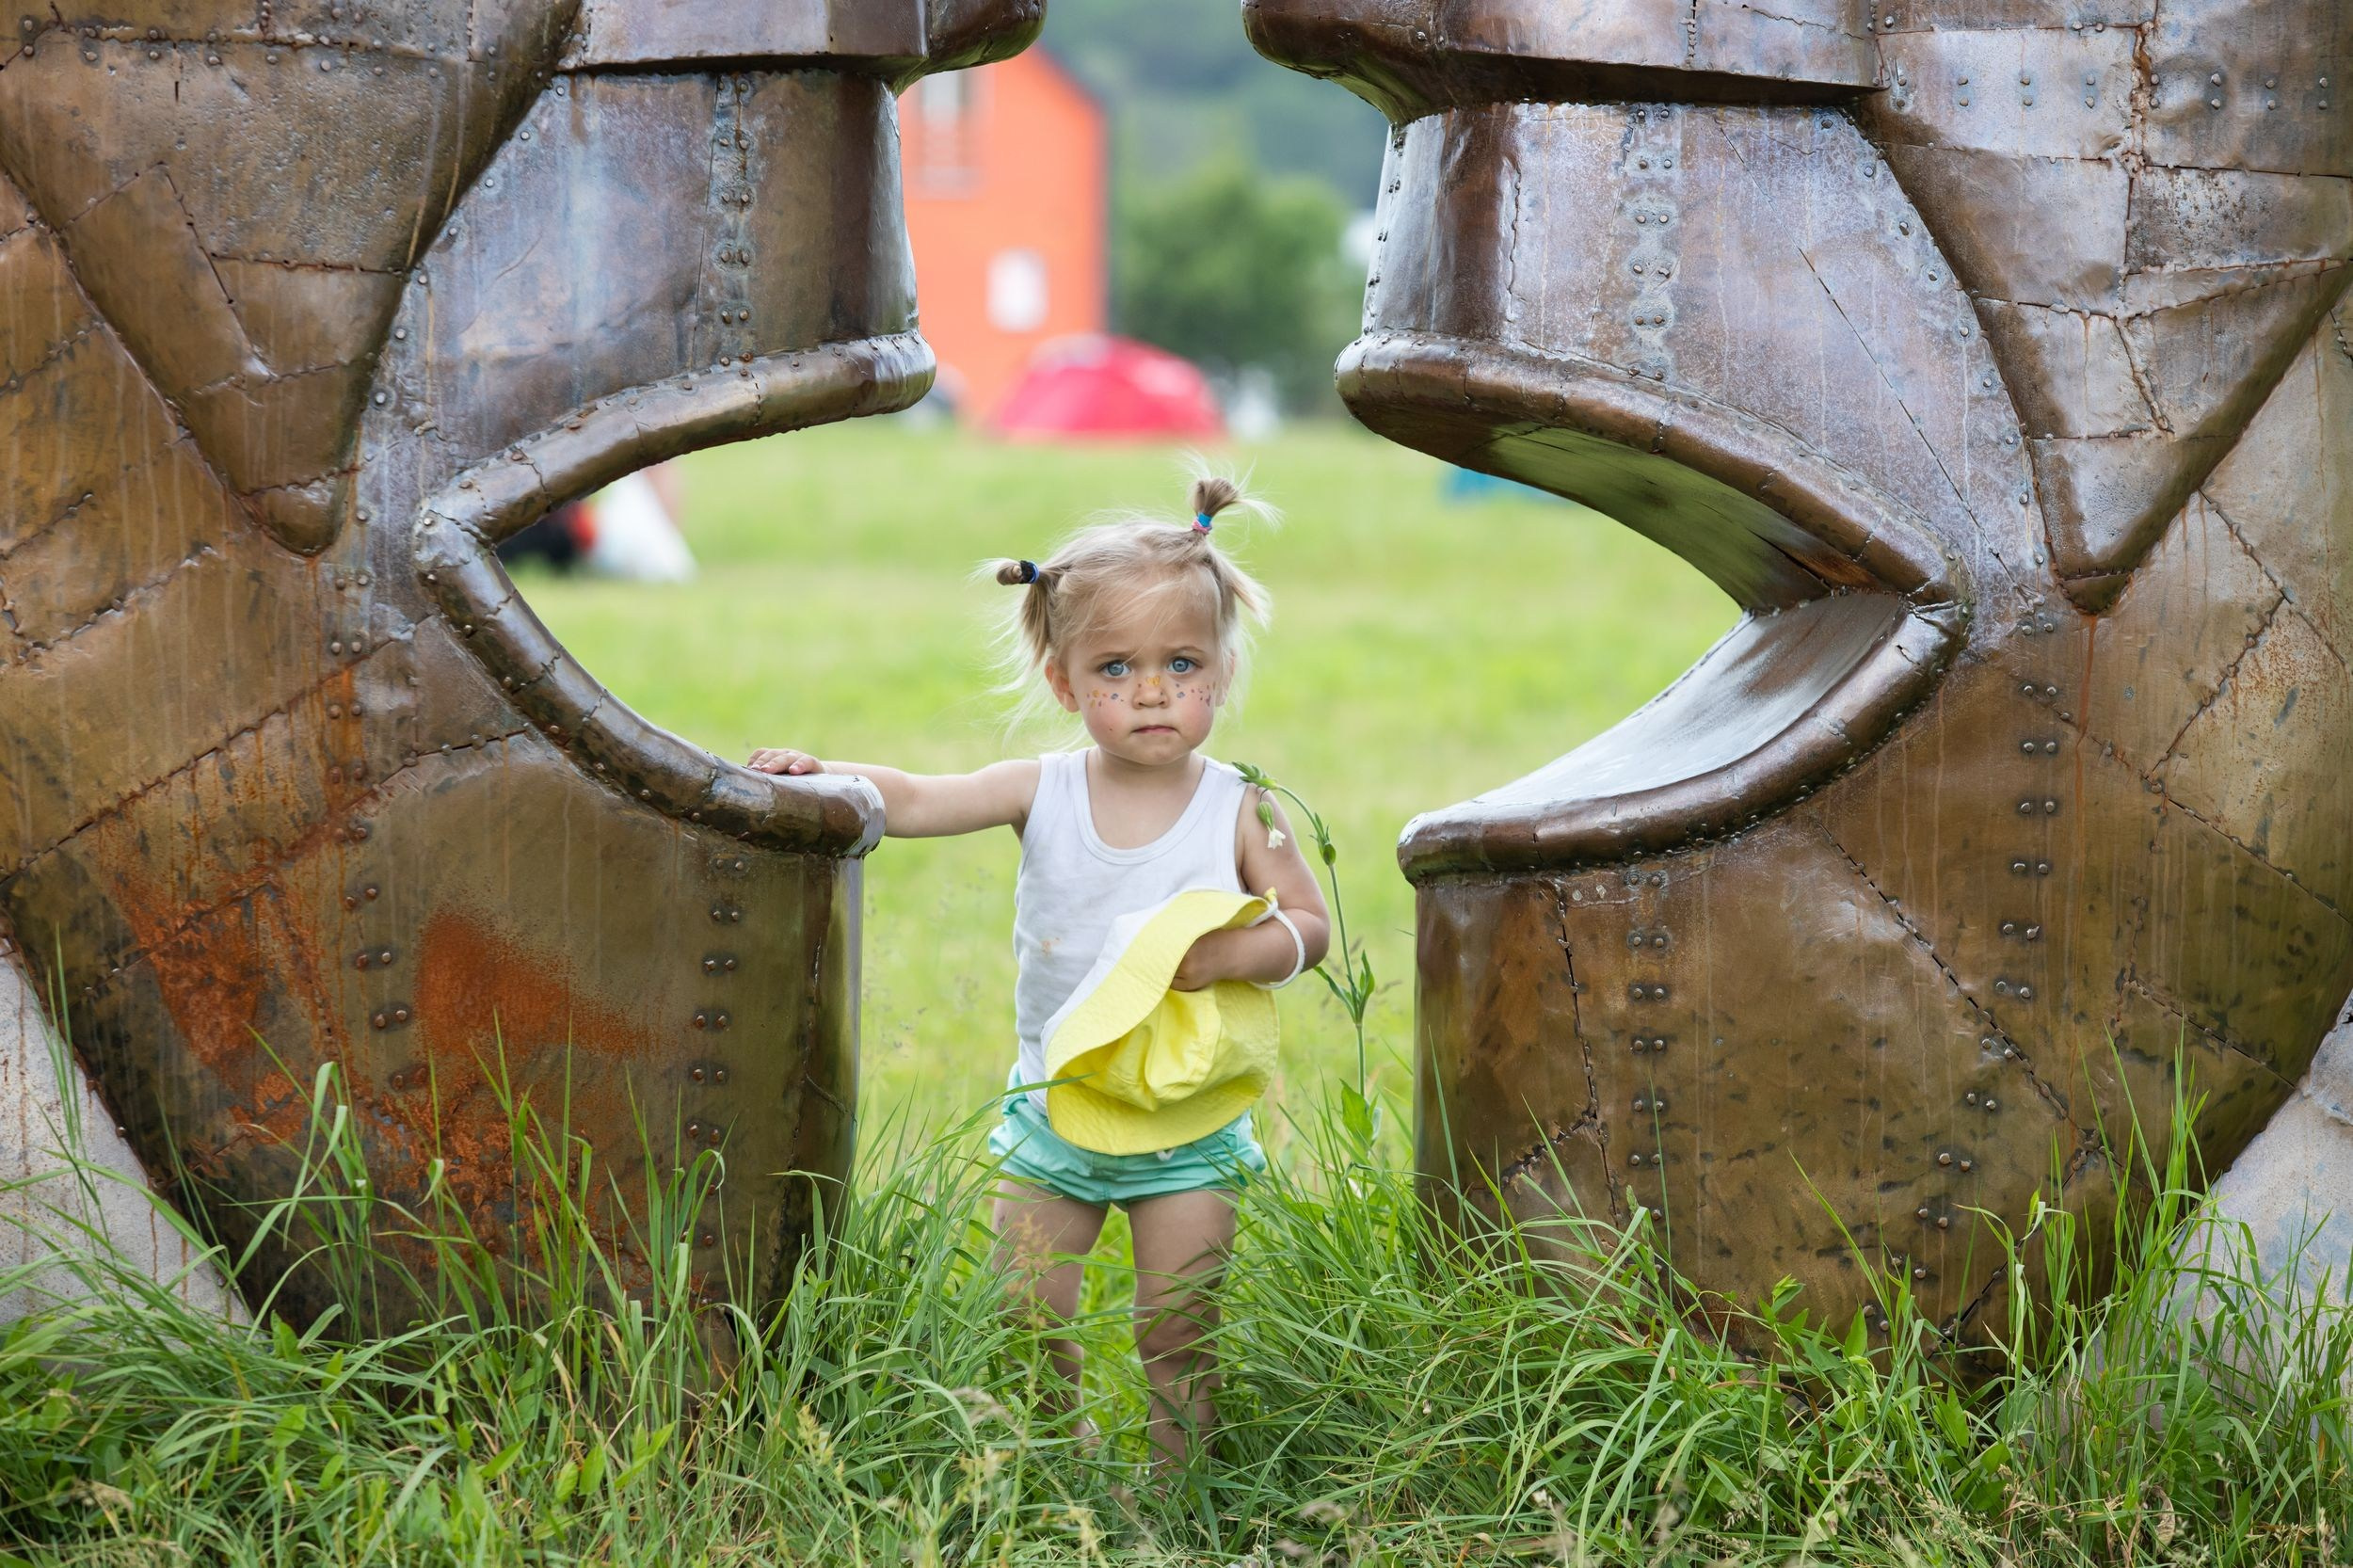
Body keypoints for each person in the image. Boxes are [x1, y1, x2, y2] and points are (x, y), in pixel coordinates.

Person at [747, 475, 1331, 1466]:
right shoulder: (1043, 789)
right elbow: (924, 797)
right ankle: (1060, 1469)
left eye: (1180, 663)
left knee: (1177, 1328)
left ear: (1221, 672)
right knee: (1021, 1314)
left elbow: (1310, 923)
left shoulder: (1242, 804)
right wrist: (831, 774)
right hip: (1052, 1114)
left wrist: (1241, 952)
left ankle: (1175, 1487)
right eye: (1116, 668)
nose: (1151, 691)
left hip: (1186, 1124)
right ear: (1065, 683)